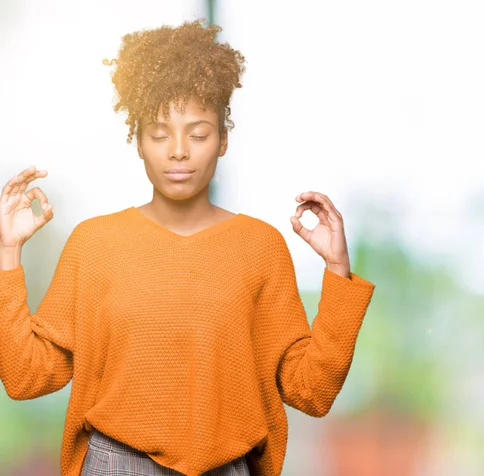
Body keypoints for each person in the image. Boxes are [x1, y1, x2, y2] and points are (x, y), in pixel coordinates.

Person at [0, 19, 376, 476]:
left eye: (198, 134)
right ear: (137, 142)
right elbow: (24, 377)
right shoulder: (94, 244)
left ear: (222, 141)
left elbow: (311, 392)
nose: (179, 150)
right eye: (159, 134)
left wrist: (337, 268)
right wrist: (7, 253)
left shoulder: (260, 247)